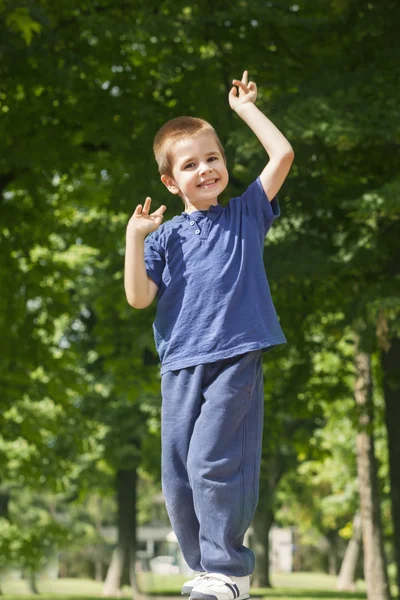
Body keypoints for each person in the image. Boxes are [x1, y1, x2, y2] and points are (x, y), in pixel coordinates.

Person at [124, 71, 294, 600]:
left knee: (211, 461)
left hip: (235, 356)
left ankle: (229, 569)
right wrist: (133, 239)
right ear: (171, 182)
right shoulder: (166, 237)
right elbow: (138, 297)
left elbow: (282, 155)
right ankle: (206, 571)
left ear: (224, 162)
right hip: (179, 365)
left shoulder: (245, 214)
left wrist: (245, 110)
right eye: (190, 164)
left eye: (212, 158)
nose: (205, 169)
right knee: (177, 472)